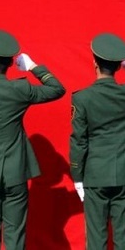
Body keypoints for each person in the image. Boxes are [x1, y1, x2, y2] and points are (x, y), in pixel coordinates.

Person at [0, 29, 65, 250]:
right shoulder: (20, 89)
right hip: (15, 172)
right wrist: (33, 66)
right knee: (16, 236)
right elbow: (57, 89)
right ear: (10, 64)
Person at [69, 33, 125, 250]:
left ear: (94, 64)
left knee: (96, 238)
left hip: (95, 174)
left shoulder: (83, 98)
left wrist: (77, 175)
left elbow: (79, 140)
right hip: (122, 172)